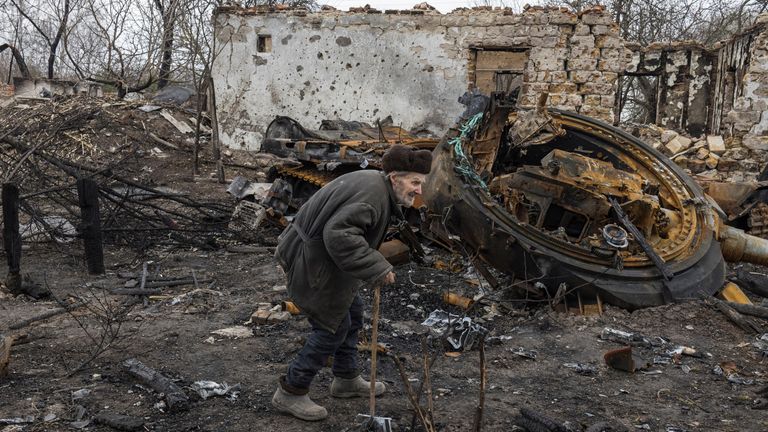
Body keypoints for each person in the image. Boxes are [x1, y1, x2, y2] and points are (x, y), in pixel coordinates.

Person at [271, 144, 432, 421]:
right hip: (312, 260)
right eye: (414, 182)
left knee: (352, 311)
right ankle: (291, 391)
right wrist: (377, 266)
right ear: (395, 178)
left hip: (321, 256)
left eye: (421, 183)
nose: (419, 191)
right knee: (331, 326)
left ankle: (345, 380)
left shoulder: (377, 186)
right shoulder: (373, 196)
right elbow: (340, 236)